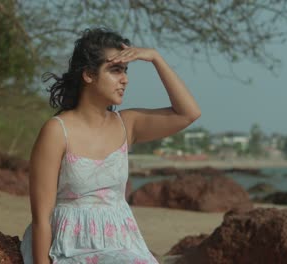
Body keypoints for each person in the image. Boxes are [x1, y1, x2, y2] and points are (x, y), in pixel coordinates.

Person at [20, 27, 201, 264]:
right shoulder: (57, 131)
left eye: (125, 71)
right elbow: (41, 217)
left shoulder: (126, 124)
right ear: (89, 75)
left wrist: (156, 58)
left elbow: (189, 113)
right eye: (115, 70)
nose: (124, 79)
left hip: (122, 243)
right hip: (70, 246)